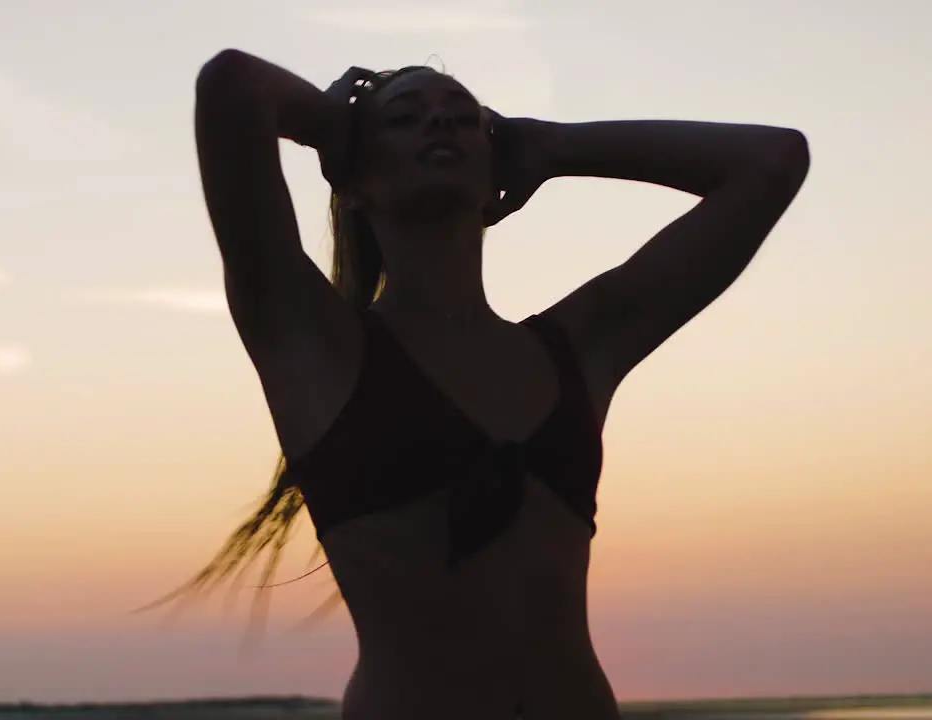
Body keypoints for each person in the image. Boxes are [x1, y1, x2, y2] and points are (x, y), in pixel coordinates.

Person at [166, 49, 809, 719]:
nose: (439, 123)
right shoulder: (316, 345)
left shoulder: (579, 347)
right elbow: (232, 86)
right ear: (353, 184)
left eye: (463, 117)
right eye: (405, 119)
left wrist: (553, 146)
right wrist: (330, 121)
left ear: (496, 171)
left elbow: (772, 162)